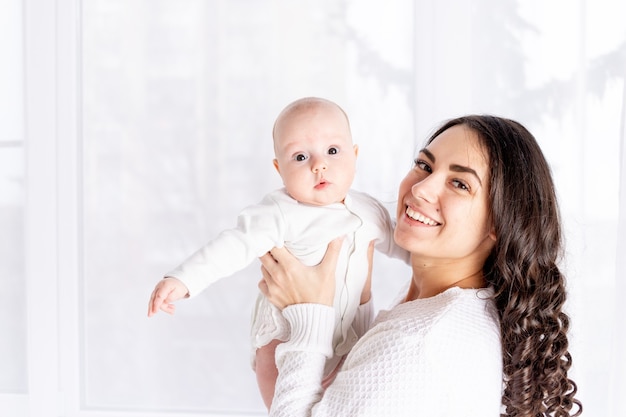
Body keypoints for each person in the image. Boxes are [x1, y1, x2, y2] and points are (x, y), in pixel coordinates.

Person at [259, 115, 583, 416]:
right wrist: (359, 299)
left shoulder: (419, 340)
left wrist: (308, 313)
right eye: (424, 165)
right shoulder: (446, 307)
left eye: (460, 184)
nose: (420, 188)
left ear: (500, 222)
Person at [147, 97, 409, 408]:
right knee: (287, 405)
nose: (319, 164)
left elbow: (405, 246)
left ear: (354, 155)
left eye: (333, 151)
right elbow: (233, 245)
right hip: (284, 343)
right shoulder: (279, 213)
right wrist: (184, 280)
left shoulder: (370, 210)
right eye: (300, 157)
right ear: (279, 169)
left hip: (349, 342)